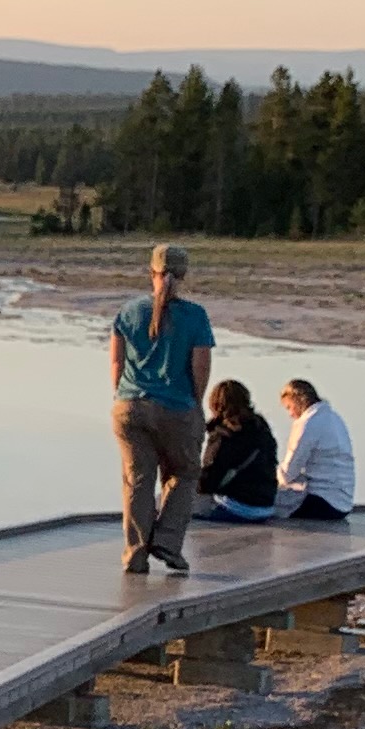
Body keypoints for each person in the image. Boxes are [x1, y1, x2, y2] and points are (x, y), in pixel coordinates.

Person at [108, 240, 215, 576]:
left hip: (129, 406)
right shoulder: (195, 316)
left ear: (151, 273)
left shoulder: (128, 312)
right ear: (182, 276)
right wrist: (195, 405)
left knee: (138, 480)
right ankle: (167, 542)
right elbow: (200, 368)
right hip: (176, 406)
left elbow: (116, 362)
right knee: (184, 473)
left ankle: (135, 556)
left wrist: (123, 396)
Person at [274, 375, 356, 521]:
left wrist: (268, 475)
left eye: (289, 407)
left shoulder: (307, 424)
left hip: (322, 502)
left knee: (263, 502)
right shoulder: (333, 417)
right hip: (343, 502)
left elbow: (287, 475)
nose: (290, 414)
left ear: (297, 401)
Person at [198, 377, 281, 520]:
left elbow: (208, 482)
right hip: (267, 505)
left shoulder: (223, 435)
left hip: (237, 507)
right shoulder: (261, 427)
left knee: (174, 502)